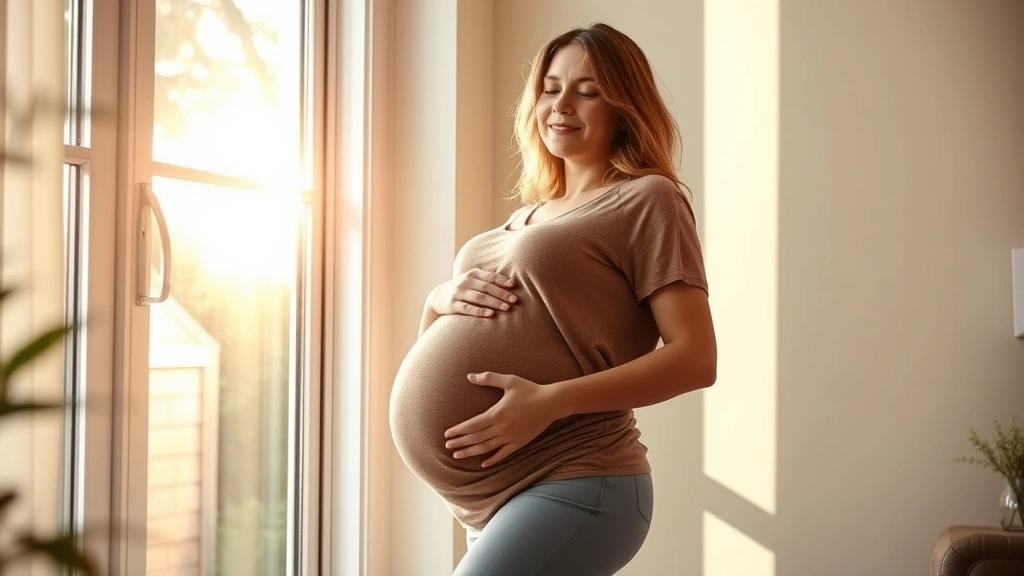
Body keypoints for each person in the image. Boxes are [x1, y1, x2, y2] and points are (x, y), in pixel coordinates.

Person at [389, 22, 717, 576]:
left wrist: (552, 401)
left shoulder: (646, 199)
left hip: (577, 479)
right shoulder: (526, 216)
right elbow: (451, 340)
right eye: (550, 87)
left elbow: (696, 358)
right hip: (490, 501)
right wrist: (438, 299)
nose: (562, 104)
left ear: (623, 107)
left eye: (587, 91)